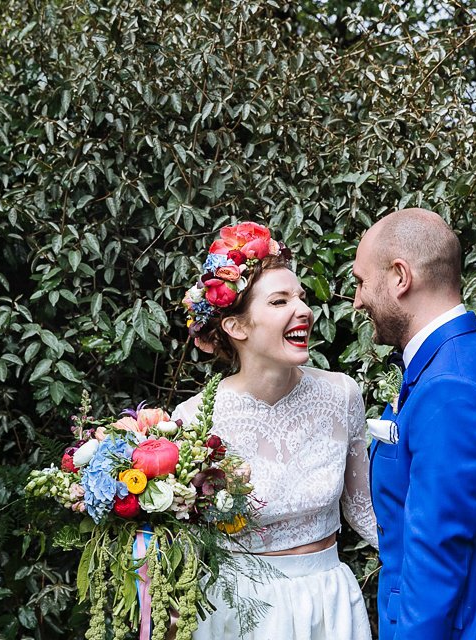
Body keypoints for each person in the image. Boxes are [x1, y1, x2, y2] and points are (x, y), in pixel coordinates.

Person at [170, 221, 377, 640]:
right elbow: (183, 540)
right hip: (237, 610)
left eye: (300, 298)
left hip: (327, 603)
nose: (303, 310)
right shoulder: (193, 420)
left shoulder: (342, 394)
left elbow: (363, 511)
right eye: (280, 301)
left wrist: (438, 559)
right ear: (237, 327)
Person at [352, 208, 476, 640]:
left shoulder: (450, 385)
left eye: (362, 281)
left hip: (462, 624)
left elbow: (437, 550)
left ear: (401, 277)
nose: (358, 300)